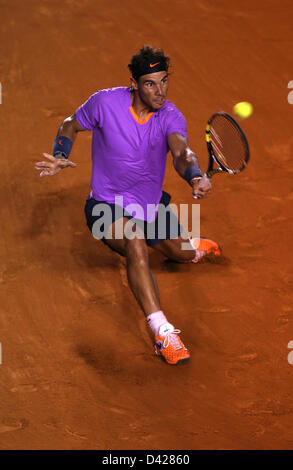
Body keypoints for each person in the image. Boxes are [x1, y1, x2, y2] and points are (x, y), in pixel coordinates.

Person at [35, 45, 221, 365]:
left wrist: (194, 175)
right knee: (135, 241)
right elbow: (69, 124)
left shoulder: (171, 116)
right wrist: (61, 153)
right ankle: (163, 332)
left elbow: (182, 153)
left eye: (164, 81)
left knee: (183, 254)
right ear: (134, 83)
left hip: (149, 208)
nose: (160, 90)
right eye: (151, 83)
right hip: (106, 207)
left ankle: (188, 247)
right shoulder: (105, 103)